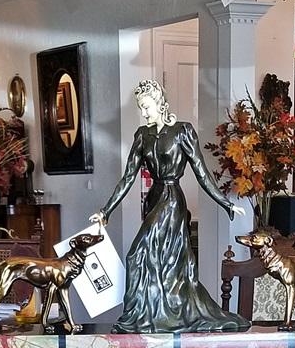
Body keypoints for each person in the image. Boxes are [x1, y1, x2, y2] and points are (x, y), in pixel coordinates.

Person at [92, 80, 248, 332]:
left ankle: (151, 316)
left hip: (172, 200)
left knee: (138, 253)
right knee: (157, 260)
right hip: (153, 199)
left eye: (146, 106)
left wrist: (225, 202)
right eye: (140, 107)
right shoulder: (142, 135)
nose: (144, 112)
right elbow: (128, 177)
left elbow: (201, 172)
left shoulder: (182, 131)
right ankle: (152, 316)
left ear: (159, 103)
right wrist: (105, 211)